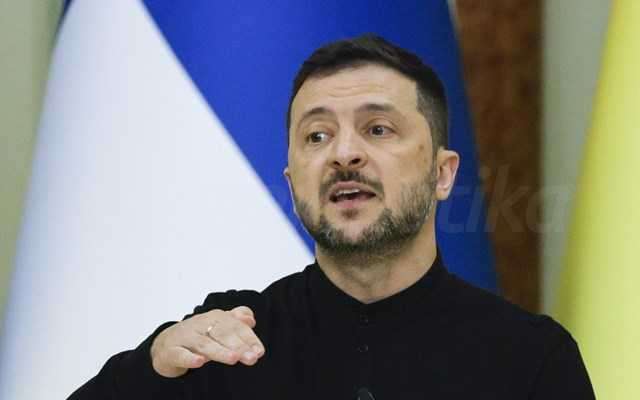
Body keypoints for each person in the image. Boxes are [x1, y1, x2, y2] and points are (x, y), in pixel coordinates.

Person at [69, 34, 595, 400]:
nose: (344, 154)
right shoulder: (226, 343)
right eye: (317, 136)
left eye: (378, 129)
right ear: (292, 181)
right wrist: (151, 368)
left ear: (442, 174)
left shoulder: (530, 359)